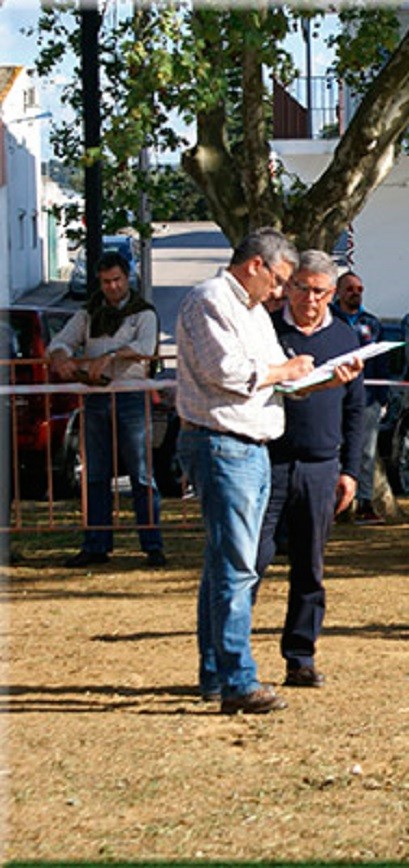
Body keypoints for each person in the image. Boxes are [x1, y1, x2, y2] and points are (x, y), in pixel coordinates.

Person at [175, 227, 316, 715]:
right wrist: (285, 373)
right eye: (278, 281)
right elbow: (226, 372)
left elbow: (276, 375)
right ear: (256, 264)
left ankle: (216, 674)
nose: (279, 293)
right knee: (237, 567)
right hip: (221, 442)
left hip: (253, 445)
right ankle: (237, 680)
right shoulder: (209, 300)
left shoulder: (254, 313)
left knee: (226, 565)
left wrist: (313, 378)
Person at [254, 250, 365, 690]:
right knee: (252, 561)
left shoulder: (345, 337)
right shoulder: (265, 329)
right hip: (268, 461)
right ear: (289, 287)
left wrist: (350, 471)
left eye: (320, 291)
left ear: (332, 293)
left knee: (309, 567)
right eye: (302, 288)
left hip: (321, 467)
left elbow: (355, 411)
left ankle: (300, 657)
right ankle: (231, 660)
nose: (310, 299)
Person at [47, 251, 166, 568]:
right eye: (105, 282)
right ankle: (96, 544)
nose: (112, 287)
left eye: (117, 280)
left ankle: (152, 545)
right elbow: (61, 341)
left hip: (131, 397)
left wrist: (111, 356)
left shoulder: (143, 313)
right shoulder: (89, 313)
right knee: (95, 473)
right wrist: (60, 356)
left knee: (141, 473)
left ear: (127, 278)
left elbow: (145, 347)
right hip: (95, 397)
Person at [333, 271, 387, 524]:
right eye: (350, 289)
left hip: (367, 398)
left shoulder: (371, 323)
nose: (355, 293)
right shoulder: (329, 319)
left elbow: (381, 361)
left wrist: (382, 397)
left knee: (366, 451)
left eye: (359, 290)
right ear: (338, 292)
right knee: (334, 450)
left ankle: (364, 503)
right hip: (334, 397)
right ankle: (334, 504)